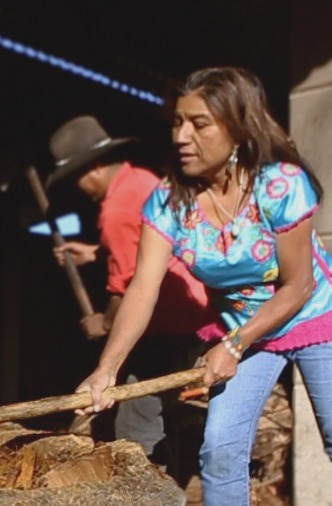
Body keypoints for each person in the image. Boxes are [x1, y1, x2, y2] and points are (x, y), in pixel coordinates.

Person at [75, 67, 332, 506]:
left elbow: (298, 286)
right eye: (178, 122)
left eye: (199, 123)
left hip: (314, 316)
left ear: (238, 128)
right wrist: (107, 370)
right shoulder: (168, 202)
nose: (182, 136)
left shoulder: (280, 185)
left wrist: (233, 343)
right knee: (220, 447)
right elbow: (142, 290)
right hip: (239, 328)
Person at [47, 116, 211, 465]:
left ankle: (151, 490)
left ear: (93, 168)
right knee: (163, 414)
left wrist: (104, 324)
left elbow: (128, 285)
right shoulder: (142, 181)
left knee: (137, 424)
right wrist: (95, 252)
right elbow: (143, 245)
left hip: (168, 326)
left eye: (77, 178)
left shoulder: (118, 210)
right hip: (194, 314)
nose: (78, 188)